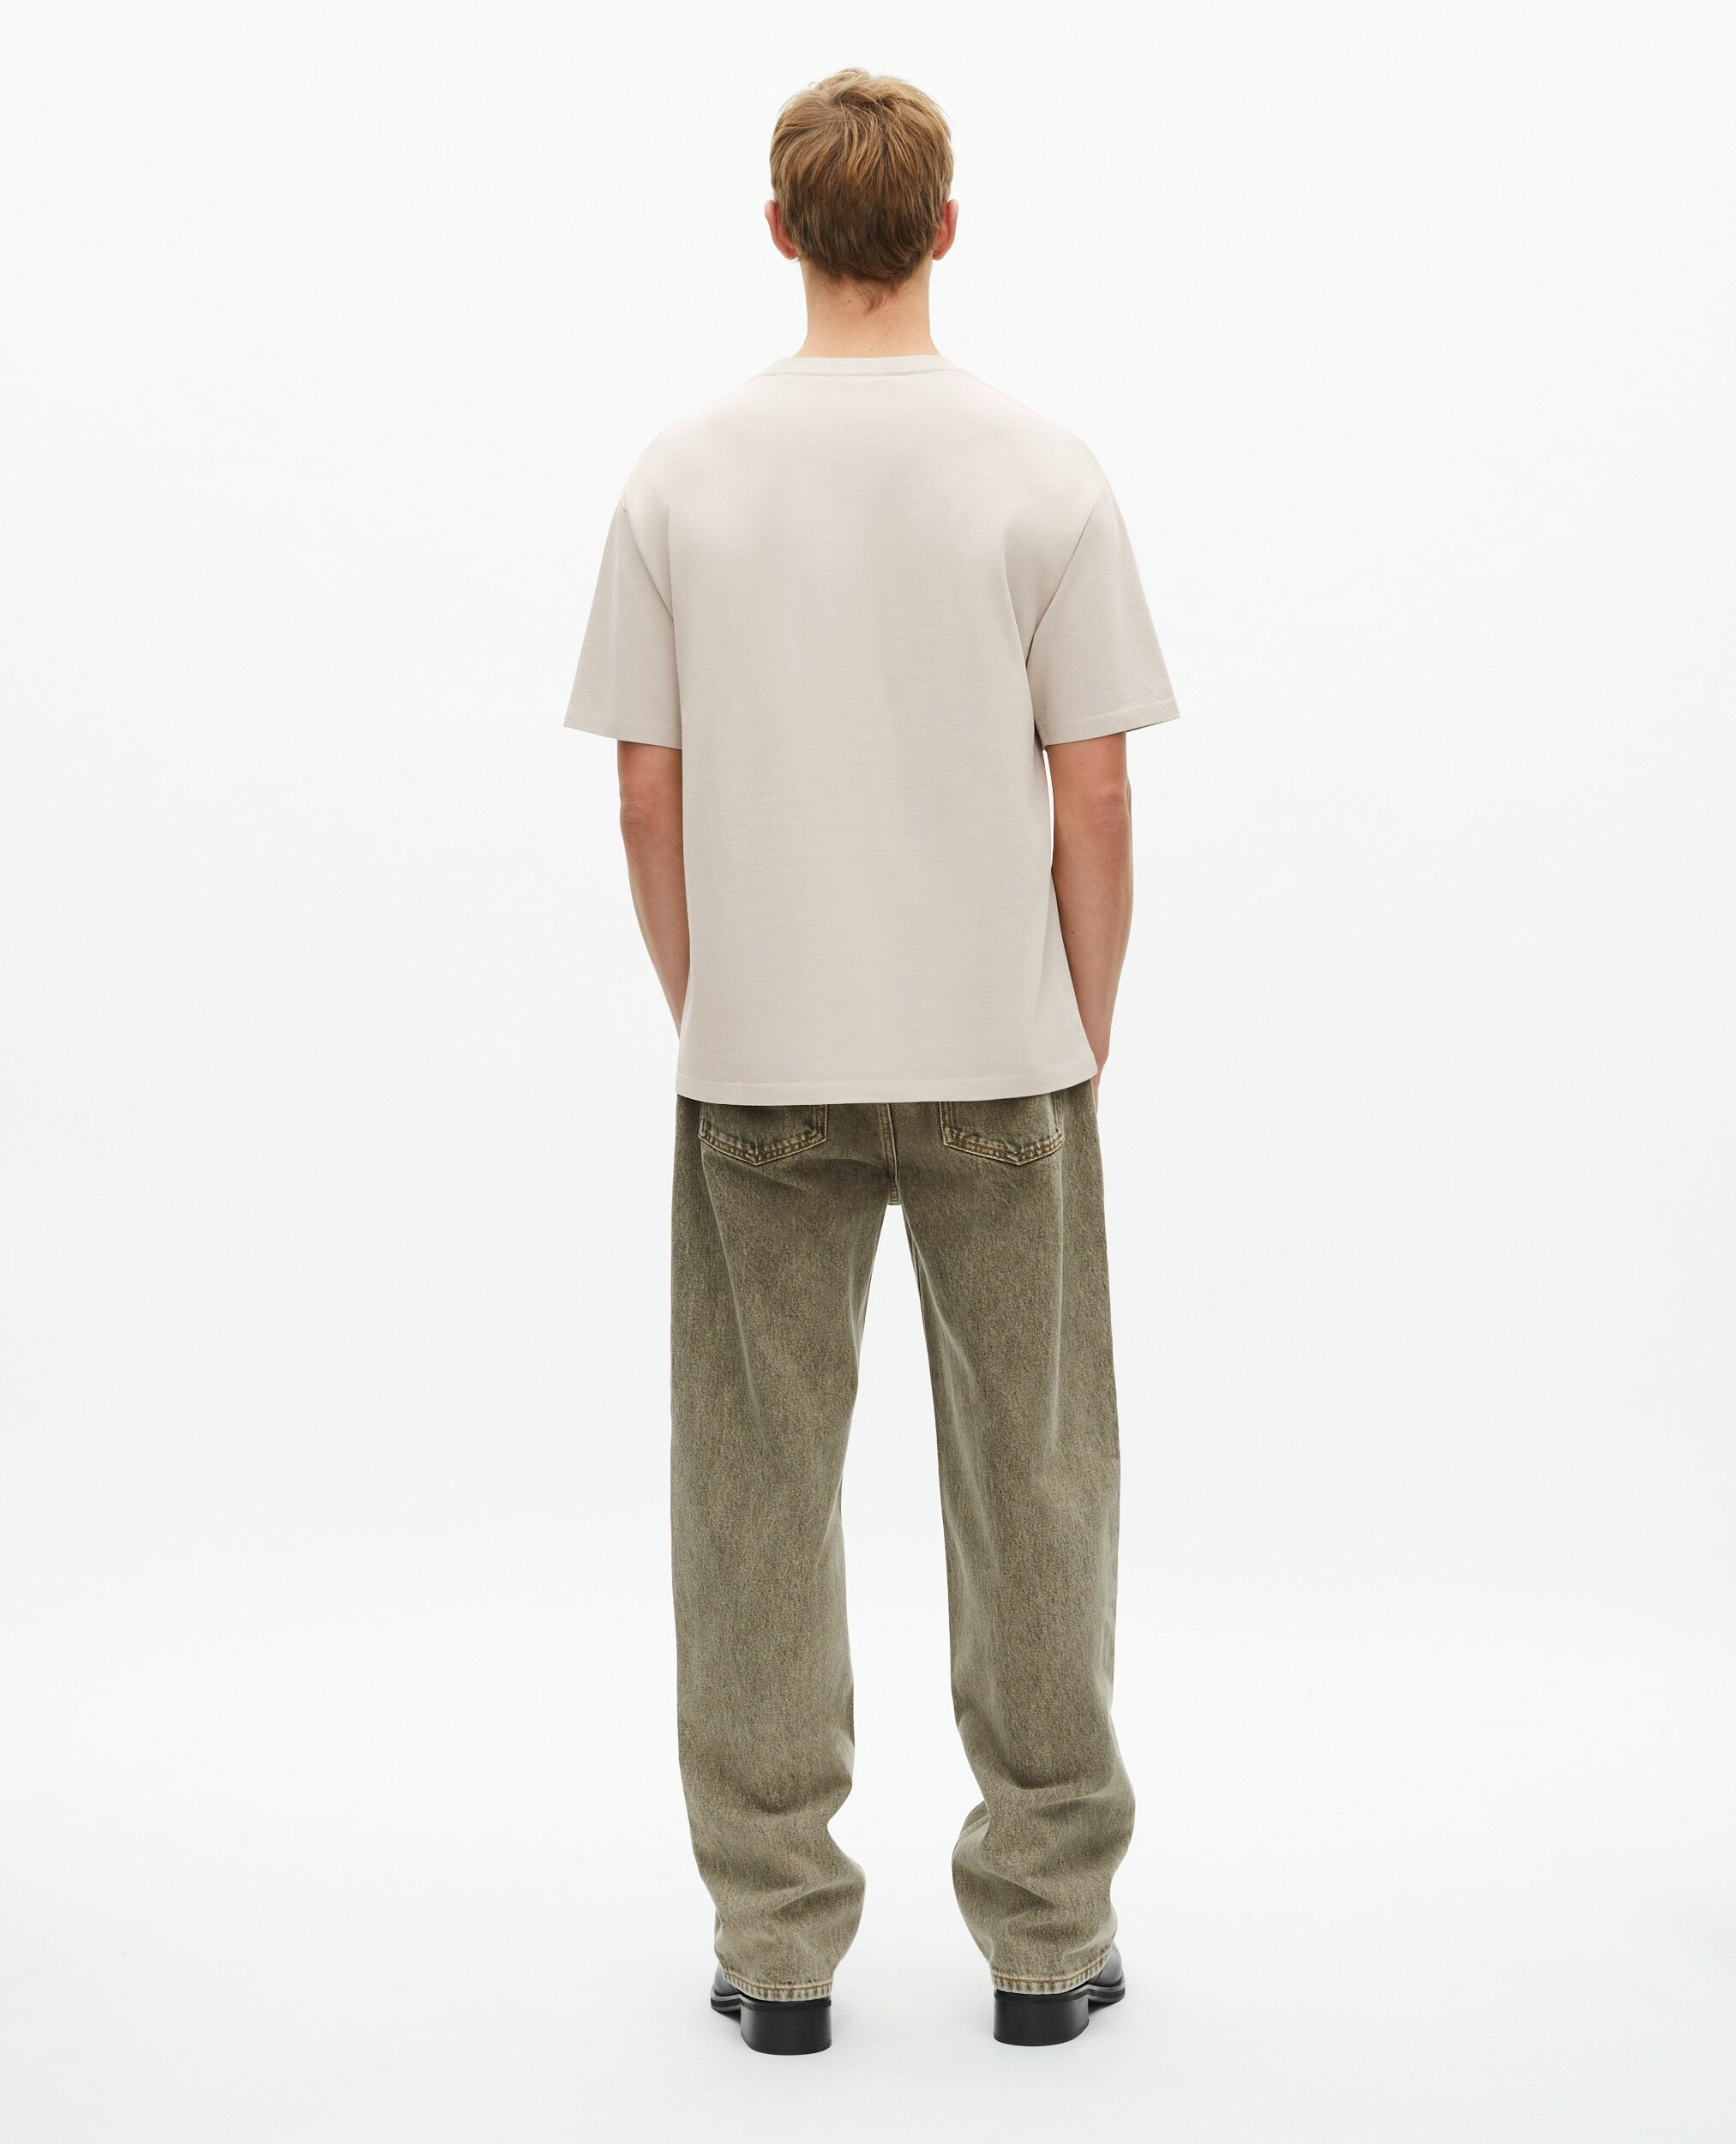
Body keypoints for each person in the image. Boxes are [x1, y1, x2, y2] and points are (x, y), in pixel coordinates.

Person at [565, 68, 1178, 2055]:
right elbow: (1092, 791)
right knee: (1039, 1486)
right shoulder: (1038, 472)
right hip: (1000, 1051)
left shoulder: (682, 476)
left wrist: (713, 1000)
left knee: (749, 1500)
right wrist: (1078, 1022)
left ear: (778, 231)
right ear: (941, 228)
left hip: (760, 1061)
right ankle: (1046, 1939)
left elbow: (644, 794)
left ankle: (774, 1951)